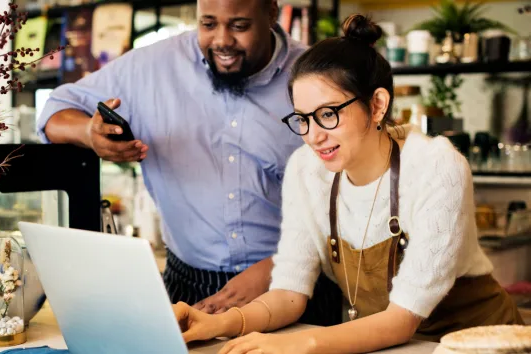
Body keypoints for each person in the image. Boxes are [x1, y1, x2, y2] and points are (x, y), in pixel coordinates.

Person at [172, 14, 525, 353]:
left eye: (328, 114)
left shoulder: (436, 167)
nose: (313, 136)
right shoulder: (306, 170)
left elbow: (401, 319)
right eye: (303, 119)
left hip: (480, 344)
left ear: (377, 105)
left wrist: (299, 344)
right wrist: (219, 323)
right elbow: (290, 293)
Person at [37, 0, 307, 313]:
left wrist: (278, 266)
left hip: (296, 280)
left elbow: (357, 195)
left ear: (271, 13)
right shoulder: (150, 68)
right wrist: (89, 133)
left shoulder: (315, 74)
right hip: (190, 288)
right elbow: (54, 112)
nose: (221, 40)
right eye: (208, 24)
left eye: (239, 26)